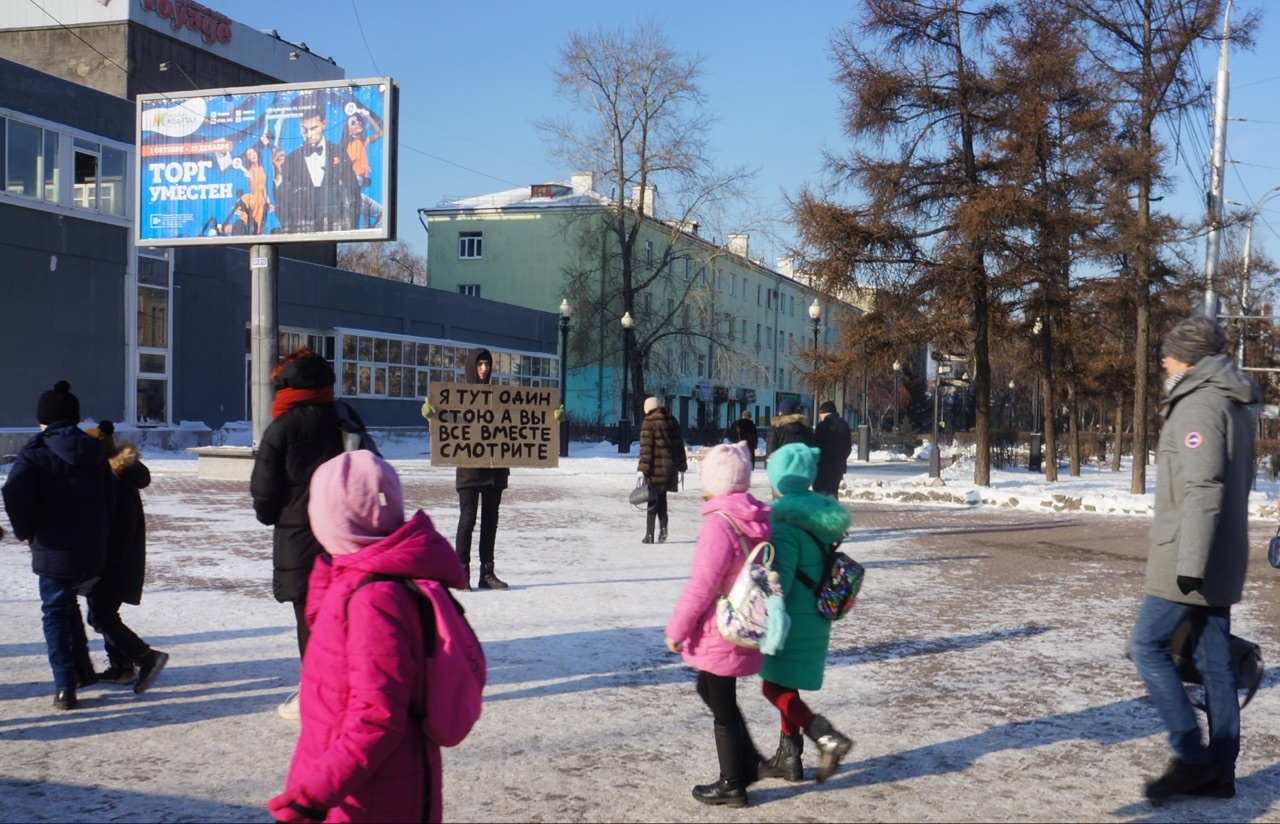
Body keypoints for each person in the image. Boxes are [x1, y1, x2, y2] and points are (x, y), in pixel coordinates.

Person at [267, 450, 464, 824]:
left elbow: (376, 719)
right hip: (355, 787)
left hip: (367, 798)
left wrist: (310, 798)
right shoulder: (357, 583)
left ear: (334, 521)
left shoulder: (374, 600)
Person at [1127, 315, 1258, 801]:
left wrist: (1188, 566)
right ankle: (1220, 772)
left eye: (1170, 353)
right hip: (1219, 556)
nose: (1163, 359)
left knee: (1147, 646)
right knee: (1216, 665)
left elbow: (1204, 488)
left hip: (1189, 557)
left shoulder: (1198, 405)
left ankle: (1190, 755)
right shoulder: (1232, 402)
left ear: (1192, 360)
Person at [251, 349, 376, 720]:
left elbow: (264, 499)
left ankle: (316, 694)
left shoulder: (281, 429)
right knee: (349, 616)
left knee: (310, 620)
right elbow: (374, 468)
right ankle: (356, 689)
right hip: (348, 540)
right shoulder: (345, 416)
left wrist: (283, 516)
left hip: (300, 543)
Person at [664, 442, 770, 807]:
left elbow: (701, 586)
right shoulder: (757, 518)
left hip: (720, 627)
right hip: (749, 620)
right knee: (709, 690)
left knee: (721, 700)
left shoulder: (719, 525)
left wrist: (677, 629)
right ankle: (749, 761)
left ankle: (732, 783)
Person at [1, 381, 113, 711]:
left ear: (43, 420)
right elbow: (111, 498)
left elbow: (13, 494)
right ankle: (82, 670)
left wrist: (26, 530)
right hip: (92, 549)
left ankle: (65, 685)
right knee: (69, 604)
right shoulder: (95, 451)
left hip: (54, 547)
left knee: (54, 611)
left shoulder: (35, 453)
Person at [757, 443, 854, 784]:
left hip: (792, 618)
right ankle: (789, 757)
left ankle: (824, 736)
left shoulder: (783, 523)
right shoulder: (820, 515)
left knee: (772, 687)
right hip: (816, 614)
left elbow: (777, 581)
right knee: (787, 684)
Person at [83, 420, 168, 693]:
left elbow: (122, 529)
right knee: (103, 611)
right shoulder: (114, 474)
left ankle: (146, 656)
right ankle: (122, 667)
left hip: (115, 562)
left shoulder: (114, 480)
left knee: (101, 616)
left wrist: (104, 563)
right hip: (118, 560)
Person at [422, 347, 511, 590]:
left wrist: (551, 419)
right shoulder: (457, 396)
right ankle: (461, 572)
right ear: (471, 367)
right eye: (480, 364)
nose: (484, 369)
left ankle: (487, 573)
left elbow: (523, 419)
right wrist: (431, 414)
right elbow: (445, 420)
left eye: (487, 364)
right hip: (470, 470)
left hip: (495, 470)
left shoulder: (499, 396)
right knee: (468, 520)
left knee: (490, 522)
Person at [271, 92, 361, 234]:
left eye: (314, 128)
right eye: (304, 130)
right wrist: (278, 174)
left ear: (323, 124)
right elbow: (281, 204)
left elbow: (353, 192)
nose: (309, 135)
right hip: (300, 230)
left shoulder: (340, 153)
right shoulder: (290, 160)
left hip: (336, 227)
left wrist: (351, 226)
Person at [637, 396, 688, 544]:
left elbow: (646, 450)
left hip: (654, 468)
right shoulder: (672, 420)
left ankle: (649, 535)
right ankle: (663, 528)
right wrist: (682, 466)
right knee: (662, 498)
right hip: (669, 468)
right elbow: (679, 445)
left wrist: (642, 470)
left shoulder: (649, 422)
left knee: (652, 500)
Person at [764, 399, 814, 498]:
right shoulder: (806, 429)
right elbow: (810, 451)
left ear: (780, 412)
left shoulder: (775, 428)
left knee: (779, 504)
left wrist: (769, 468)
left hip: (781, 473)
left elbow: (771, 452)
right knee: (798, 502)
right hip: (801, 472)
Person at [812, 401, 852, 497]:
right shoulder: (844, 425)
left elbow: (816, 446)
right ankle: (834, 511)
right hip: (838, 467)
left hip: (823, 467)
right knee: (833, 493)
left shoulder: (822, 426)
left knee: (821, 494)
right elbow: (848, 448)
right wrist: (841, 459)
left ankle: (823, 512)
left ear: (823, 412)